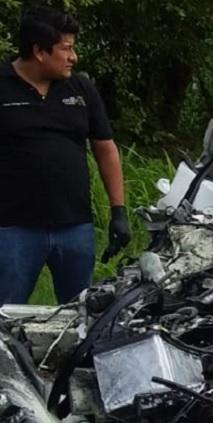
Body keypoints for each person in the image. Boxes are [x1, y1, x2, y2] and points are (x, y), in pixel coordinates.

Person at [0, 6, 130, 305]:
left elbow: (105, 148)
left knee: (78, 317)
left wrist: (118, 211)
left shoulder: (80, 87)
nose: (74, 57)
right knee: (6, 318)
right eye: (66, 49)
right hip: (13, 230)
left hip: (75, 228)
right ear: (39, 51)